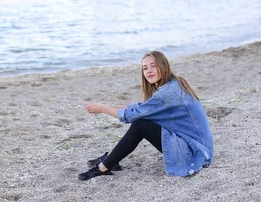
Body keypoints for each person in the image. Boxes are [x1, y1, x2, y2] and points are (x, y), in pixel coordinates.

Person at [78, 51, 213, 180]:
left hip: (195, 153)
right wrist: (107, 106)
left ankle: (103, 167)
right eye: (145, 68)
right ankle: (111, 160)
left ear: (164, 66)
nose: (149, 71)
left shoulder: (167, 93)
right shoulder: (173, 84)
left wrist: (103, 108)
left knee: (140, 124)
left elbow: (133, 116)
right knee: (143, 121)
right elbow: (142, 107)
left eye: (153, 66)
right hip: (197, 147)